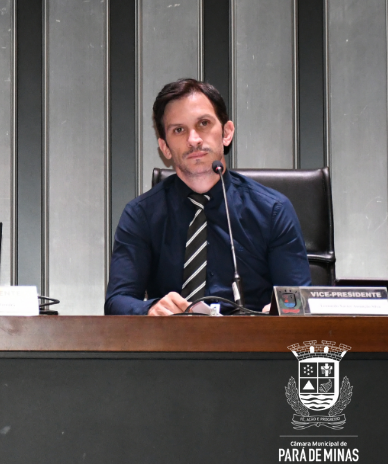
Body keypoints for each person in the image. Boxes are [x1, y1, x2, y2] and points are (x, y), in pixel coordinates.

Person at [104, 78, 310, 315]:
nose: (194, 140)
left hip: (251, 337)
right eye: (179, 130)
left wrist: (279, 313)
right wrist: (150, 309)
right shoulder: (141, 215)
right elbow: (117, 301)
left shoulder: (273, 210)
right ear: (165, 147)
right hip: (173, 337)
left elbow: (300, 302)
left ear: (226, 133)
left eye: (203, 123)